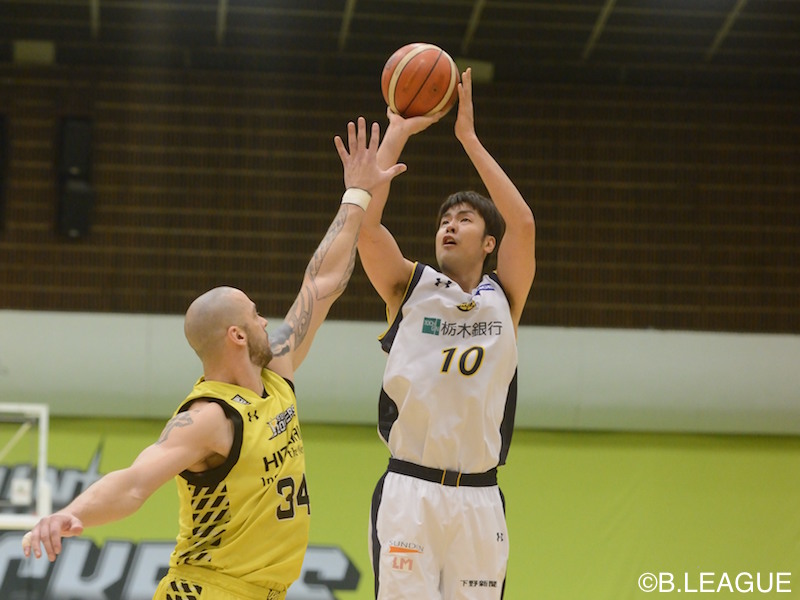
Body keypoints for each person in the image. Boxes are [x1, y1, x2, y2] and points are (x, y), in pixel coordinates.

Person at [22, 117, 406, 600]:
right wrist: (69, 513)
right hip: (205, 590)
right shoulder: (208, 417)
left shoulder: (276, 372)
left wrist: (357, 194)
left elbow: (322, 283)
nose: (266, 321)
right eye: (255, 315)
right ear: (236, 336)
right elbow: (134, 482)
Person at [358, 68, 536, 599]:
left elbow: (523, 223)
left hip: (479, 498)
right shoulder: (410, 287)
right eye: (443, 221)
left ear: (489, 243)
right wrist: (398, 131)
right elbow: (364, 226)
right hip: (410, 490)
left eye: (463, 220)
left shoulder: (505, 297)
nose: (449, 226)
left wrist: (469, 140)